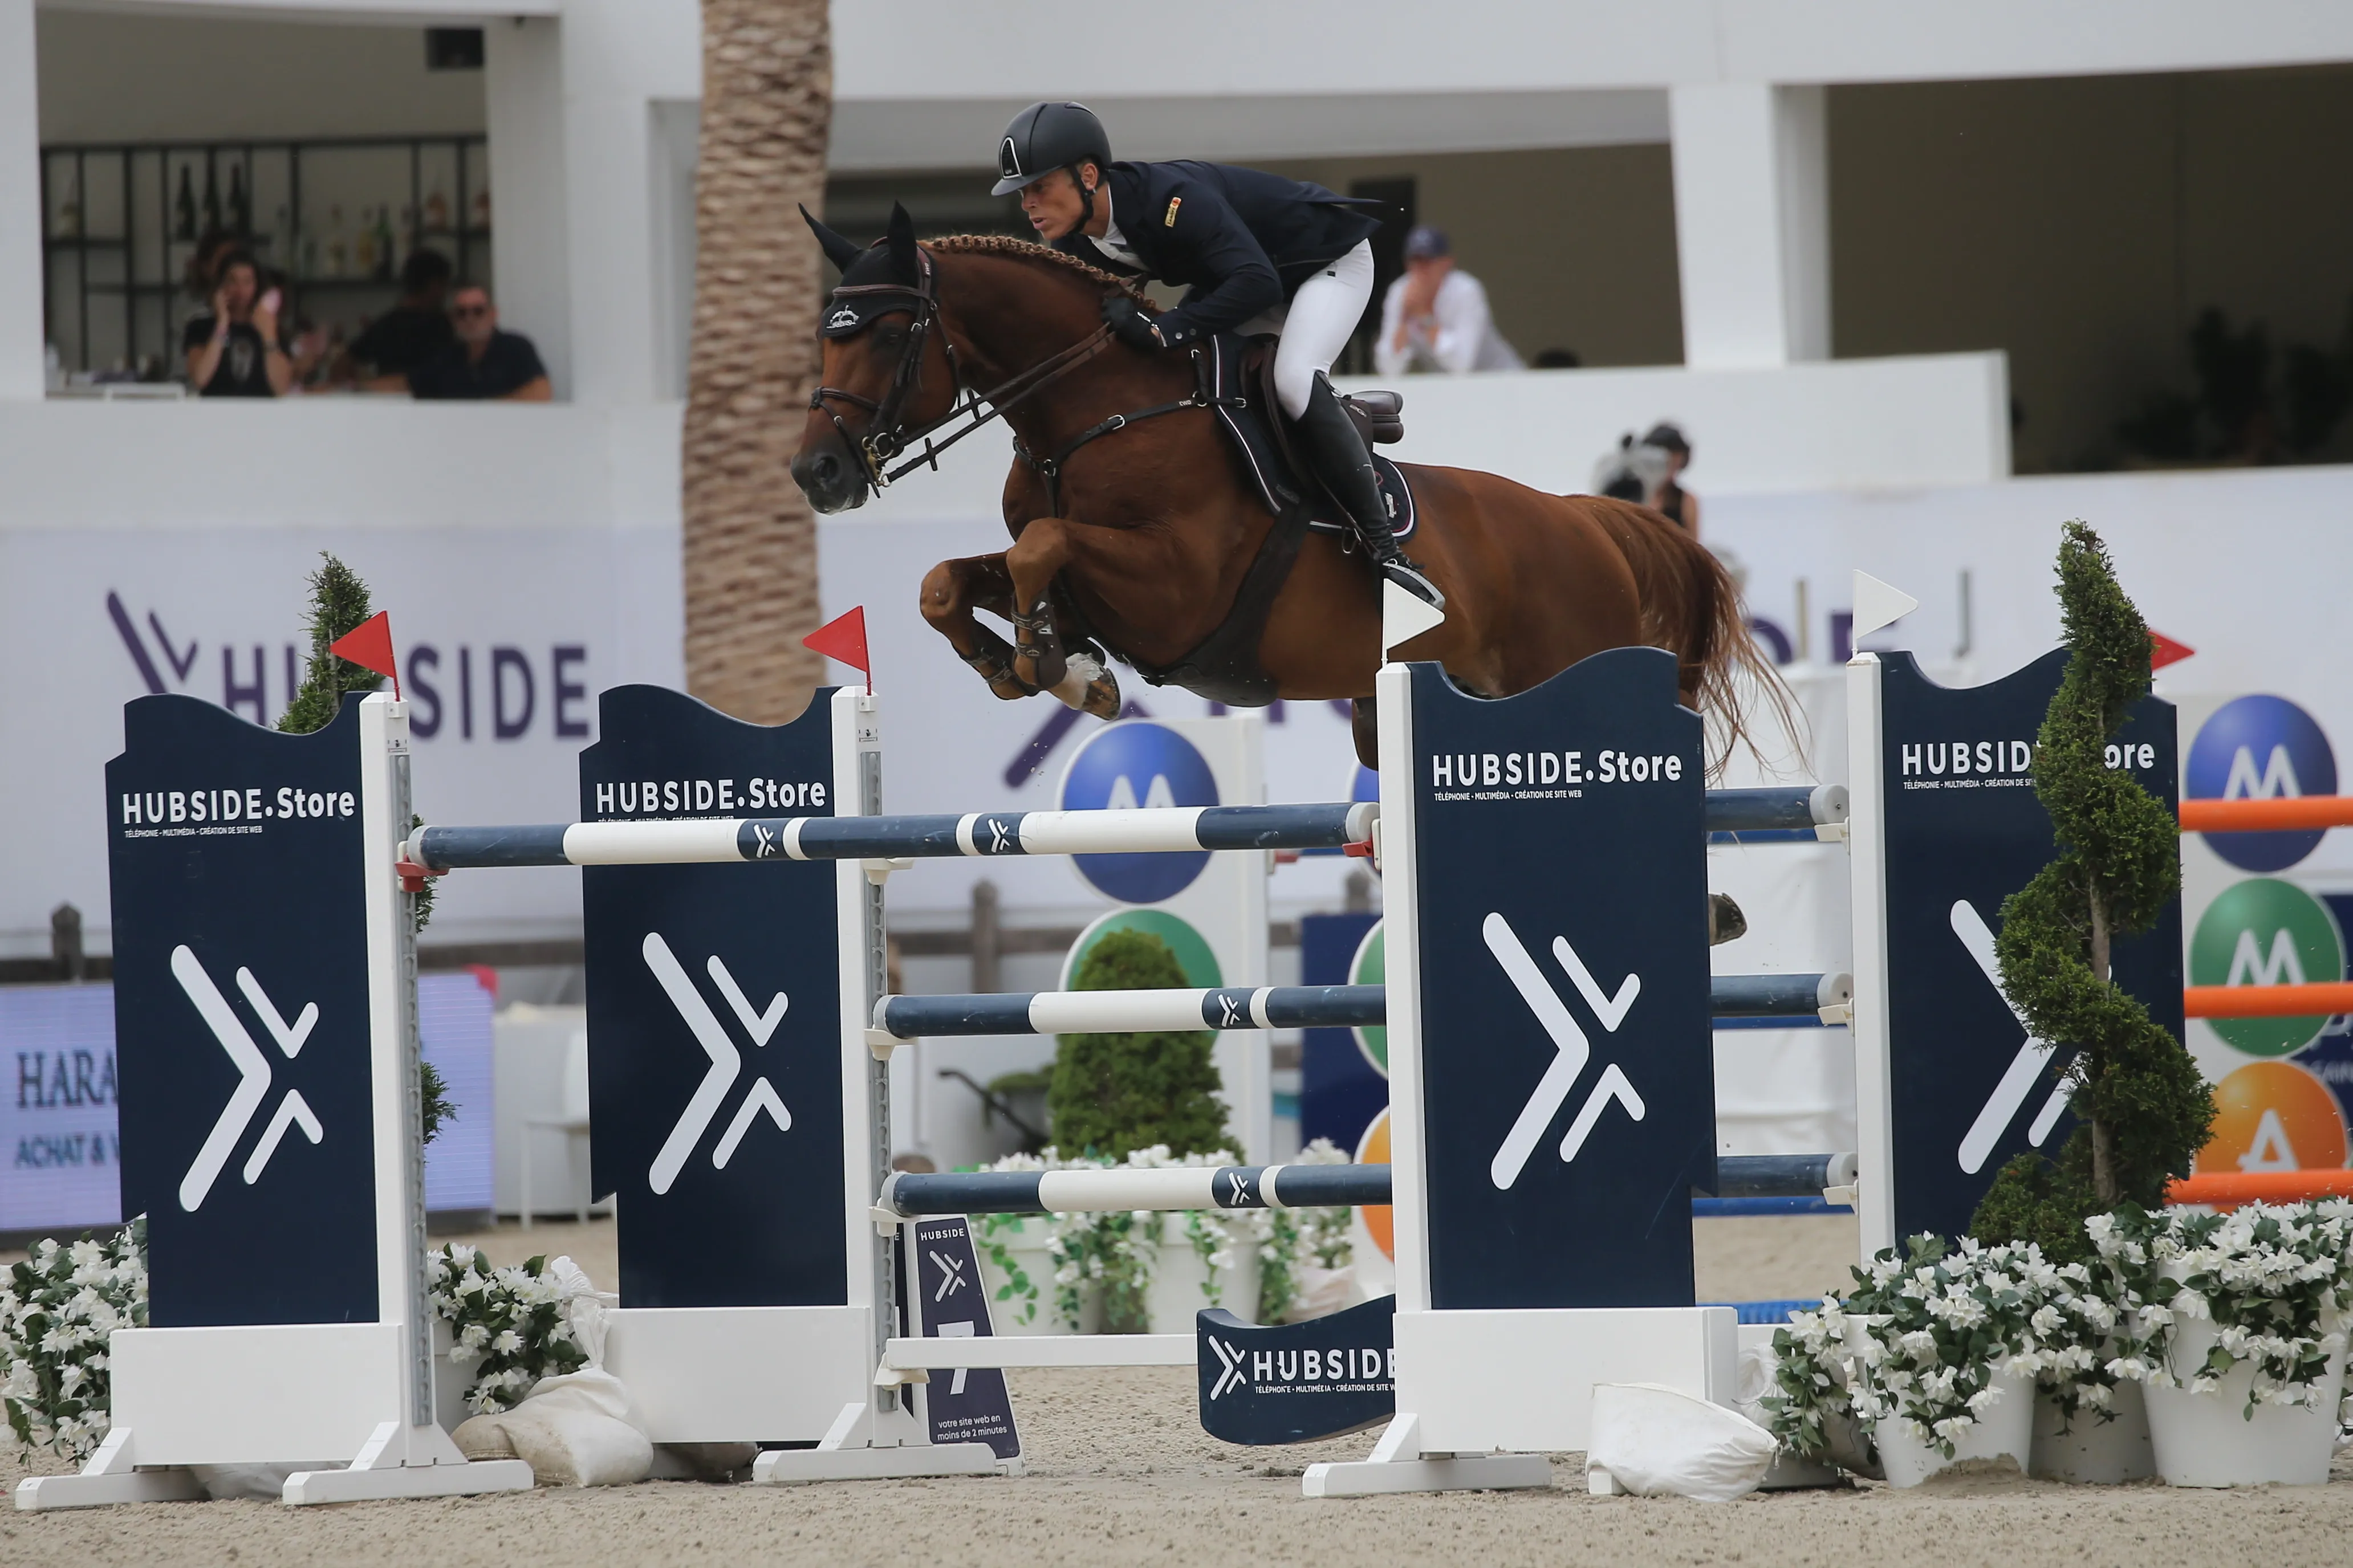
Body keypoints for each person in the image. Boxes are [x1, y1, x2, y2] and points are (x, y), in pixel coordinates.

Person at [991, 101, 1442, 609]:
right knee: (1184, 372)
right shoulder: (1080, 242)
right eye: (1023, 193)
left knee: (1292, 379)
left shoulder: (1170, 201)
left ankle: (1386, 550)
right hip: (1247, 277)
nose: (1028, 203)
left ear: (1088, 175)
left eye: (1039, 187)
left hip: (1323, 263)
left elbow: (1256, 282)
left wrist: (1166, 329)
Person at [1373, 226, 1522, 377]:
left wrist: (1425, 316)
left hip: (1502, 378)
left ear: (1447, 263)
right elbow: (1388, 369)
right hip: (1449, 387)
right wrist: (1404, 319)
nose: (1420, 269)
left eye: (1428, 261)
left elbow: (1461, 364)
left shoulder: (1466, 290)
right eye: (1415, 261)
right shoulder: (1400, 291)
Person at [400, 284, 552, 401]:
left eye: (478, 311)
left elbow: (542, 393)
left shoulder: (516, 348)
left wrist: (483, 411)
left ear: (493, 314)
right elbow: (408, 385)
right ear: (453, 318)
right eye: (462, 313)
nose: (470, 319)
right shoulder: (445, 357)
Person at [181, 250, 291, 397]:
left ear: (257, 286)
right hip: (215, 414)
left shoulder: (271, 328)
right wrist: (222, 323)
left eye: (247, 282)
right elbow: (200, 378)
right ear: (220, 286)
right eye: (232, 281)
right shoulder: (200, 326)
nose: (240, 290)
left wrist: (269, 335)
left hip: (262, 415)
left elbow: (282, 388)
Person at [339, 249, 457, 384]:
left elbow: (341, 365)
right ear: (435, 285)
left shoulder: (385, 325)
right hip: (429, 403)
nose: (446, 293)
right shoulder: (440, 325)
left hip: (390, 401)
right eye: (445, 285)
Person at [1643, 422, 1700, 532]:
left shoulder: (1686, 501)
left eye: (1676, 466)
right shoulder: (1632, 494)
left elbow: (1693, 545)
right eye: (1667, 465)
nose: (1671, 474)